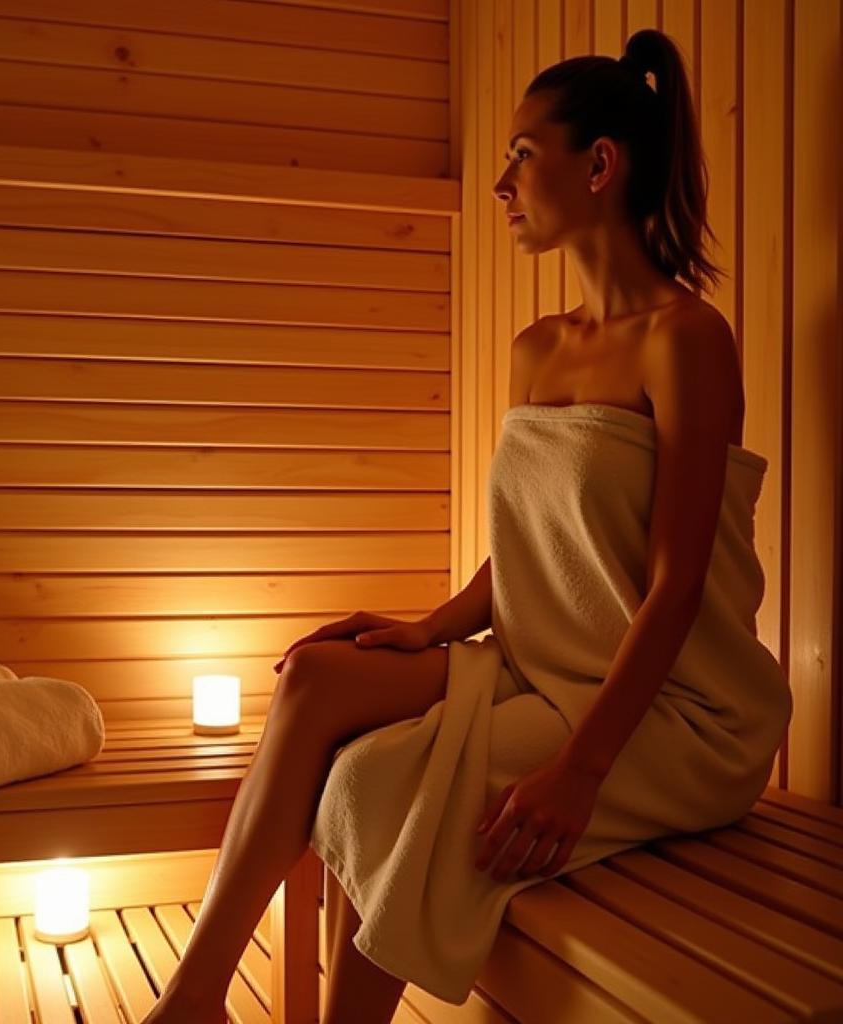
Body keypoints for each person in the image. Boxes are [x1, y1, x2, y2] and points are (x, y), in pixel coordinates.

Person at [140, 27, 791, 1024]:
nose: (502, 182)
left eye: (523, 155)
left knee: (376, 786)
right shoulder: (538, 350)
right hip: (541, 663)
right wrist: (431, 626)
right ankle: (196, 996)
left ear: (599, 166)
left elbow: (674, 578)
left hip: (675, 713)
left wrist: (578, 771)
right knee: (319, 674)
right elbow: (532, 540)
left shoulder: (687, 341)